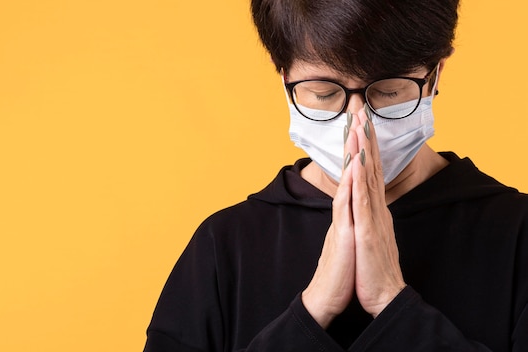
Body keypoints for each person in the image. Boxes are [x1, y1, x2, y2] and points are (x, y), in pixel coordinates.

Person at [143, 0, 528, 350]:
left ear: (436, 74)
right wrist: (314, 309)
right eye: (324, 93)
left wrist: (392, 302)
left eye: (389, 91)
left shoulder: (518, 232)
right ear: (284, 80)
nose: (357, 121)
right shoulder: (224, 244)